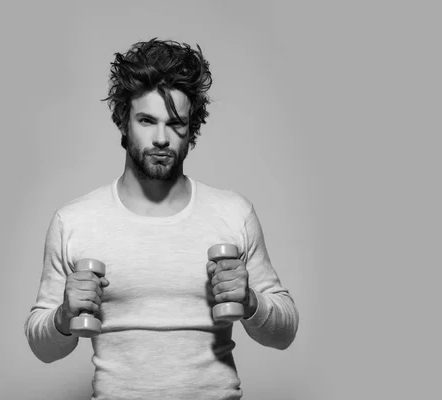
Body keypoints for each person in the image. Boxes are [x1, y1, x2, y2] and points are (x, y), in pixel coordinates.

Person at [24, 38, 299, 400]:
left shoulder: (233, 213)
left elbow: (284, 332)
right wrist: (62, 317)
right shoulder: (75, 221)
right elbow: (43, 349)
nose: (160, 138)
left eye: (175, 124)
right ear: (124, 122)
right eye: (146, 120)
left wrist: (250, 303)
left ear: (192, 130)